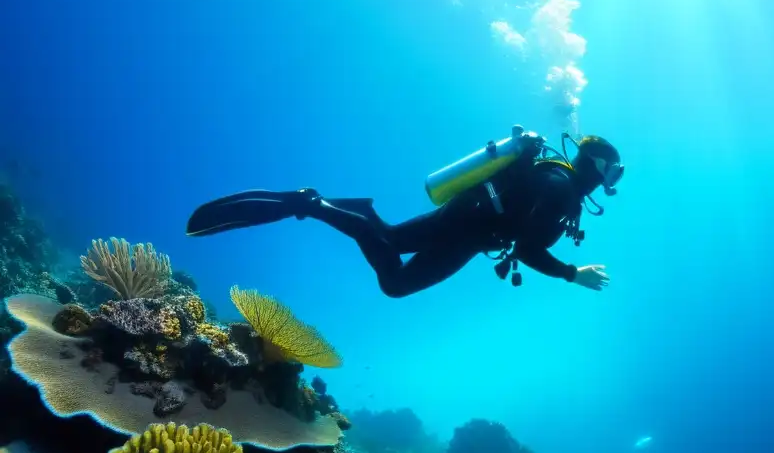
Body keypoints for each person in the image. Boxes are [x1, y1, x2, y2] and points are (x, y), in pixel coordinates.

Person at [185, 130, 624, 298]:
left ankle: (333, 207)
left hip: (466, 216)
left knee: (391, 240)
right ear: (598, 166)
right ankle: (311, 205)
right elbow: (527, 249)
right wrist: (572, 273)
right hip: (468, 231)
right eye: (614, 171)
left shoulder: (555, 179)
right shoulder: (560, 187)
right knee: (394, 284)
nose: (614, 181)